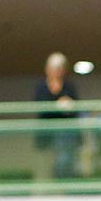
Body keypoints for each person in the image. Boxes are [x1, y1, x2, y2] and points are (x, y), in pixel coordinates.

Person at [35, 52, 83, 180]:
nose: (57, 71)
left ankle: (65, 188)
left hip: (66, 135)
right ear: (47, 69)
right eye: (54, 68)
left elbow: (75, 109)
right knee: (47, 164)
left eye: (60, 68)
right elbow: (40, 109)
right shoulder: (41, 87)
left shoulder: (69, 86)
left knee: (65, 161)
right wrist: (57, 105)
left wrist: (67, 105)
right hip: (47, 135)